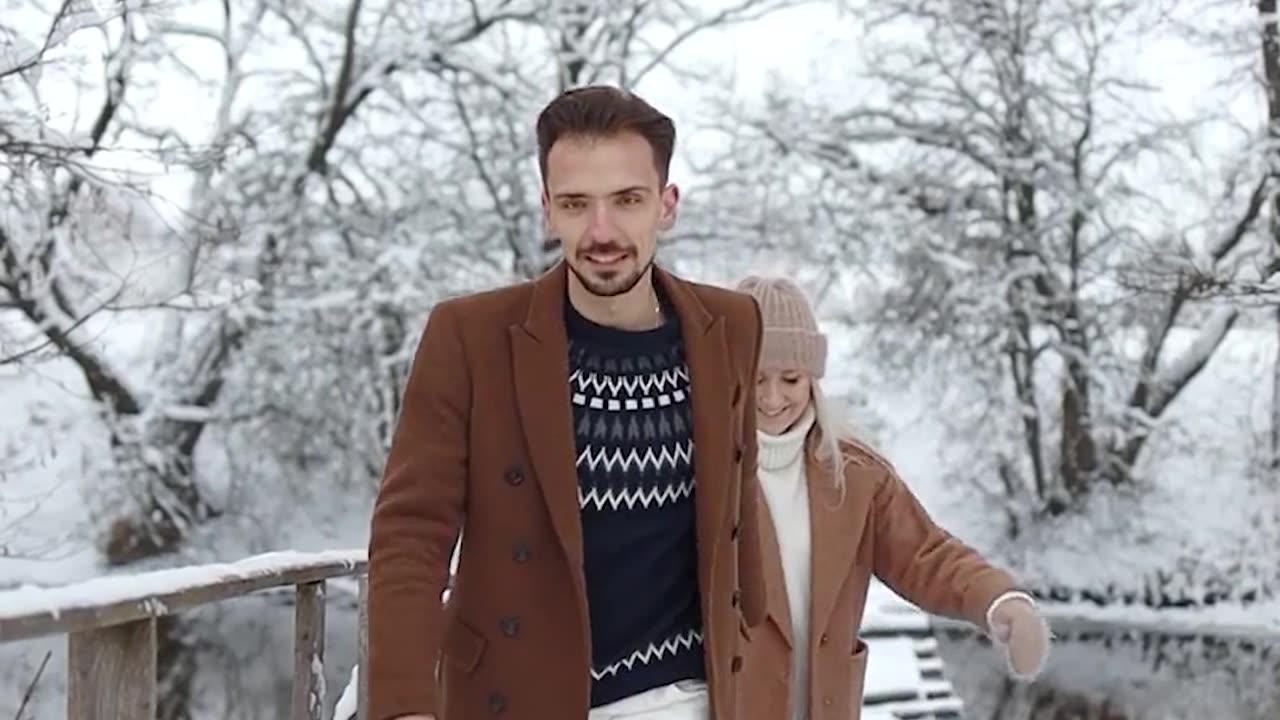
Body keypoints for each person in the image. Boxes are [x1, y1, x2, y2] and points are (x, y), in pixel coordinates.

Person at [364, 85, 768, 720]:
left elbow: (738, 503)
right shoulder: (470, 337)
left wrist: (758, 640)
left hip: (689, 697)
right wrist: (403, 705)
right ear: (548, 210)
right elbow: (410, 535)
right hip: (518, 692)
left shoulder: (732, 324)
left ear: (667, 205)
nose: (601, 231)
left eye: (627, 201)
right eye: (577, 204)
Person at [731, 276, 1052, 720]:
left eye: (790, 378)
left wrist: (1000, 600)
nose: (771, 398)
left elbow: (926, 555)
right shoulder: (697, 471)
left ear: (813, 378)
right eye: (756, 377)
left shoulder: (857, 476)